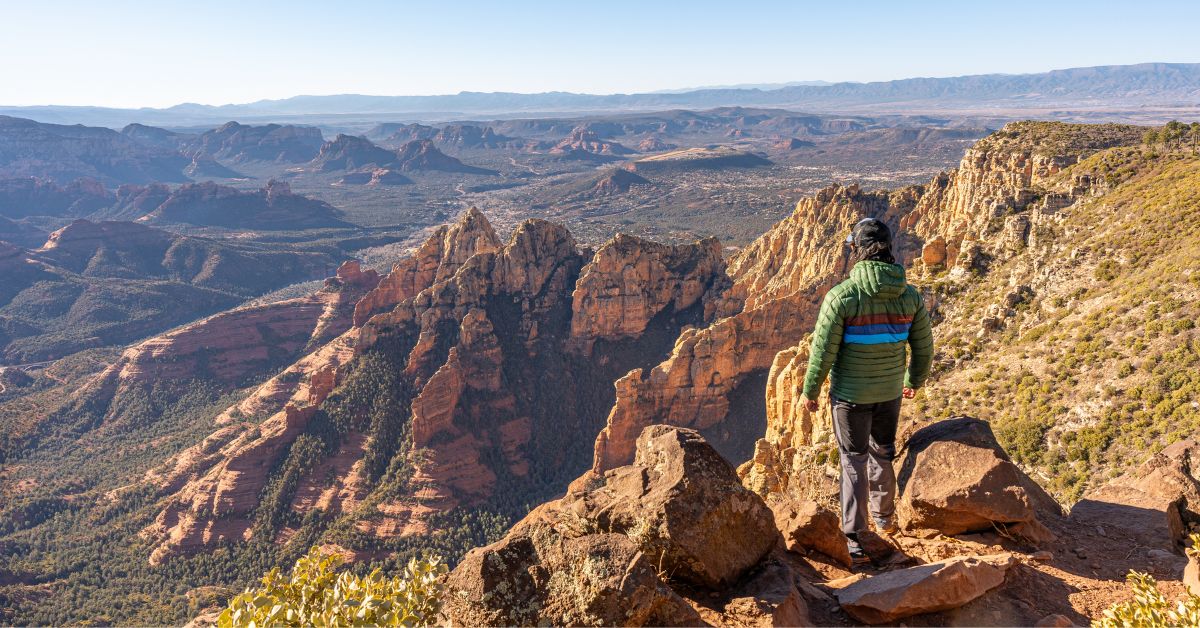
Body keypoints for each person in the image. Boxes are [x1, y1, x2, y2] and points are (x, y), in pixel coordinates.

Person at [799, 217, 933, 565]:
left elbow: (822, 351)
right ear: (889, 249)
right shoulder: (910, 296)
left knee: (853, 460)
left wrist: (810, 391)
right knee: (882, 452)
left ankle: (854, 536)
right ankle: (885, 518)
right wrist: (913, 381)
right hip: (889, 392)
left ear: (857, 250)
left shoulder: (842, 297)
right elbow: (924, 349)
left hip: (850, 396)